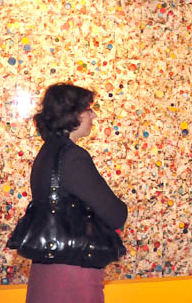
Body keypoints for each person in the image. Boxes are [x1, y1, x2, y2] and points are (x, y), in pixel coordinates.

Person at [25, 83, 128, 303]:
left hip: (46, 268)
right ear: (73, 114)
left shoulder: (47, 153)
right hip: (71, 271)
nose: (93, 115)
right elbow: (115, 214)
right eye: (89, 109)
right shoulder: (73, 157)